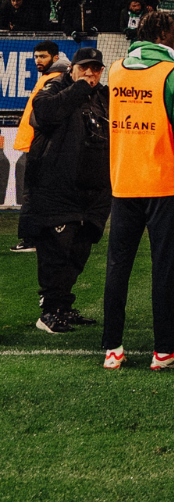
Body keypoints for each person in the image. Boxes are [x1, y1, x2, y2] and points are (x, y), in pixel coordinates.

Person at [101, 11, 174, 371]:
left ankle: (112, 349)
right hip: (165, 184)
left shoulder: (115, 70)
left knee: (117, 268)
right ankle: (162, 351)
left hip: (124, 181)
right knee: (164, 270)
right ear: (161, 33)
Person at [21, 48, 108, 334]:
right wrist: (80, 86)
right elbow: (44, 113)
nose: (90, 73)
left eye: (96, 69)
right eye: (85, 68)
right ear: (72, 68)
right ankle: (49, 311)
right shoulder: (55, 86)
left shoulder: (102, 96)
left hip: (90, 192)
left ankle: (63, 307)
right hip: (56, 189)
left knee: (78, 251)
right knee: (56, 252)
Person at [12, 40, 65, 253]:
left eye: (42, 56)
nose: (37, 61)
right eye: (35, 57)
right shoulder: (50, 78)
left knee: (32, 194)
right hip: (38, 145)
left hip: (39, 146)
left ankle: (30, 240)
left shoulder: (54, 79)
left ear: (55, 57)